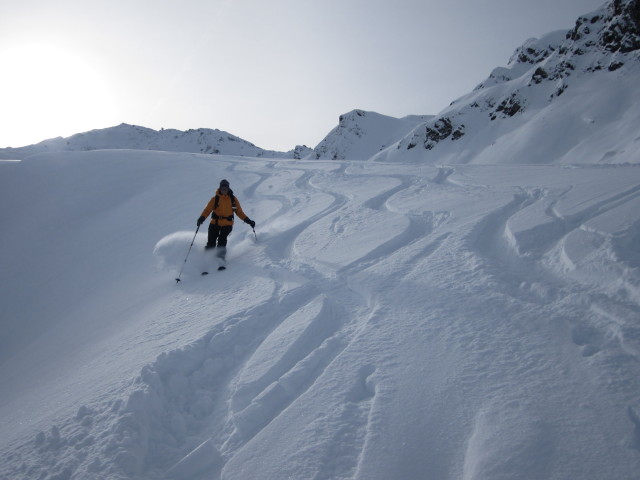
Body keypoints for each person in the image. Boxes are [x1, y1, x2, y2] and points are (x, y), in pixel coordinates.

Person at [197, 179, 255, 257]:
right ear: (220, 188)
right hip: (215, 223)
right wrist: (202, 218)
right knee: (211, 243)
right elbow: (207, 210)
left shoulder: (233, 200)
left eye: (225, 188)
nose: (224, 190)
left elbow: (239, 212)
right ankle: (207, 259)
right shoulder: (215, 199)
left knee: (222, 240)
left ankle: (220, 260)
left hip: (227, 224)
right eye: (222, 188)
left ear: (228, 189)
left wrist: (248, 221)